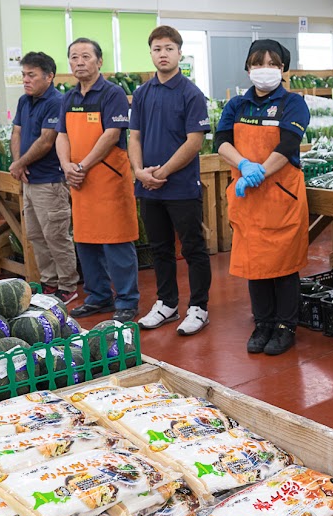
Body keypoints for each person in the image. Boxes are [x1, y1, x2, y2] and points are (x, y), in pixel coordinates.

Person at [214, 39, 310, 356]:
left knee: (282, 265)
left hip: (280, 195)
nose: (264, 69)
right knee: (254, 264)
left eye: (272, 63)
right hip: (248, 199)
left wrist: (260, 172)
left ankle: (285, 326)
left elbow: (288, 145)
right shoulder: (237, 106)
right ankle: (263, 323)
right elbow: (221, 141)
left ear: (283, 69)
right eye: (257, 63)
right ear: (248, 67)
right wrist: (242, 164)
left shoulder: (293, 103)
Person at [129, 26, 213, 334]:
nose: (162, 54)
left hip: (180, 187)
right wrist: (139, 171)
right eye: (157, 49)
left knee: (193, 248)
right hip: (147, 185)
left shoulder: (191, 93)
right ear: (150, 53)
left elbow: (194, 141)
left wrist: (162, 172)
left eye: (168, 48)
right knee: (159, 247)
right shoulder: (141, 93)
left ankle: (199, 307)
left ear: (179, 53)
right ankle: (167, 303)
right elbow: (134, 136)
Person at [56, 38, 140, 323]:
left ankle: (127, 300)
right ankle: (99, 297)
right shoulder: (68, 97)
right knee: (86, 242)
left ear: (99, 61)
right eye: (74, 57)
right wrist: (67, 165)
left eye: (85, 57)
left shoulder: (112, 93)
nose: (79, 62)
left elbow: (111, 134)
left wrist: (81, 165)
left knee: (117, 241)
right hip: (80, 182)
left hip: (108, 180)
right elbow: (62, 135)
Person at [10, 51, 78, 305]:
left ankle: (68, 285)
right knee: (36, 235)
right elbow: (16, 133)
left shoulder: (56, 102)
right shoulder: (23, 101)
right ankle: (50, 283)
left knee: (56, 235)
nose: (26, 80)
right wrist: (18, 164)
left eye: (32, 75)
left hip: (50, 181)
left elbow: (47, 140)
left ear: (49, 77)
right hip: (29, 179)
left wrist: (20, 163)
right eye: (24, 75)